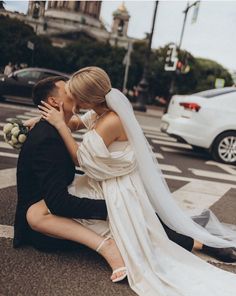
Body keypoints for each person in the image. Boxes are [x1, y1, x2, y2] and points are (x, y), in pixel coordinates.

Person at [25, 67, 236, 295]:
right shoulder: (100, 112)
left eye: (75, 95)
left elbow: (80, 159)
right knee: (146, 228)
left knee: (145, 236)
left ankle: (205, 243)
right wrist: (46, 116)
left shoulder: (110, 122)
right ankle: (201, 239)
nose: (72, 98)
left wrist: (58, 125)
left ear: (86, 100)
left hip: (117, 186)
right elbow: (75, 123)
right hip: (113, 180)